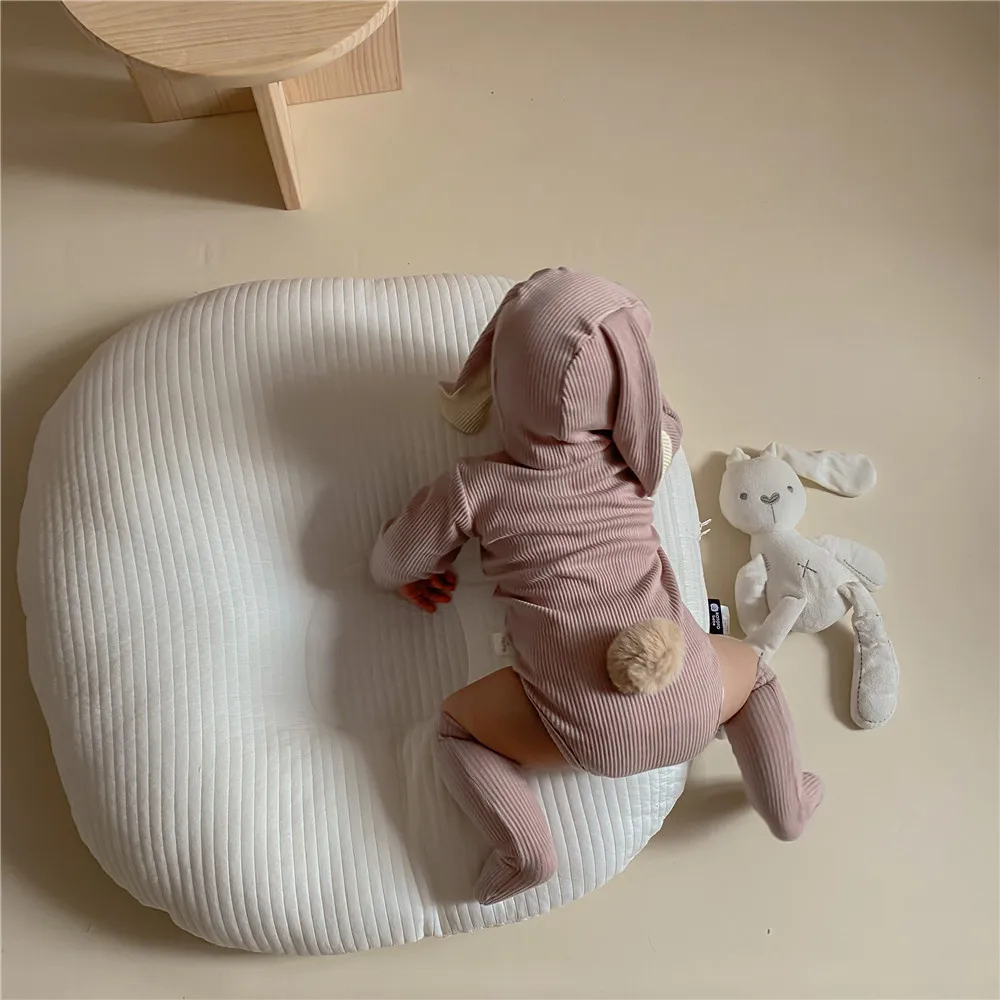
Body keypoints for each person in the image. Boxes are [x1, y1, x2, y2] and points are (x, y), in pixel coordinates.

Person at [370, 268, 822, 905]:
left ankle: (526, 852)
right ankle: (786, 805)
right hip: (690, 694)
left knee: (454, 731)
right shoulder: (639, 460)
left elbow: (391, 561)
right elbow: (665, 420)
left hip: (576, 729)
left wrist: (408, 572)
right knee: (757, 677)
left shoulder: (476, 486)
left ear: (500, 376)